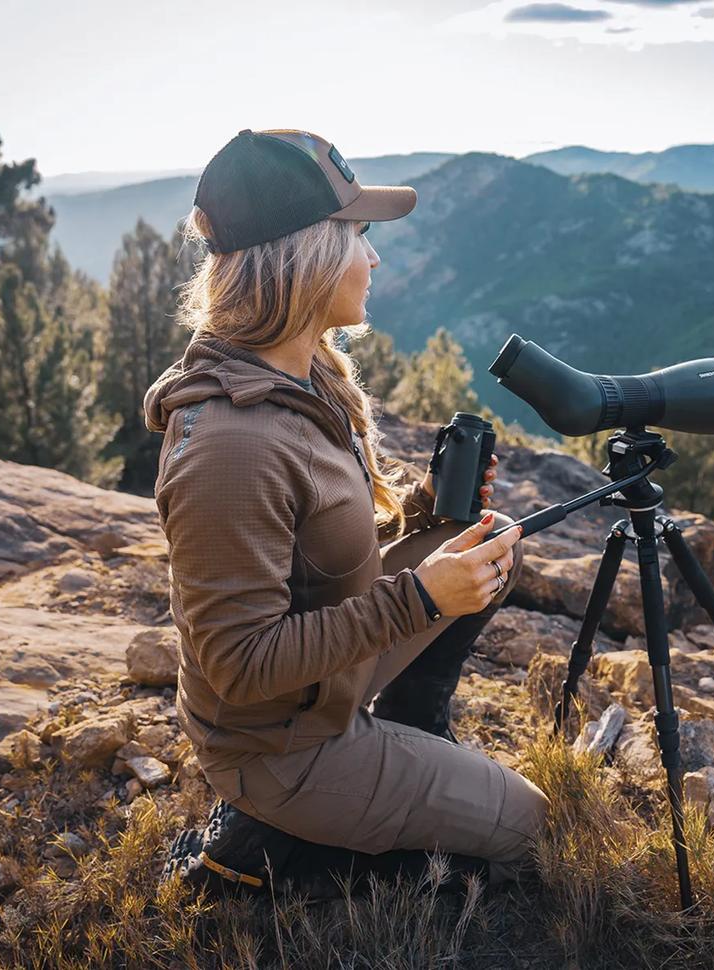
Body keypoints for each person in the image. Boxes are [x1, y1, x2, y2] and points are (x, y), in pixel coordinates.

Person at [142, 129, 549, 886]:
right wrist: (422, 597)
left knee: (479, 538)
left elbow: (317, 561)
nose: (374, 256)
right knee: (533, 829)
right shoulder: (232, 449)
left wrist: (424, 517)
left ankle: (409, 731)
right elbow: (240, 664)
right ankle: (274, 853)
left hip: (324, 687)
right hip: (282, 748)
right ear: (305, 255)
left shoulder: (304, 373)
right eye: (357, 234)